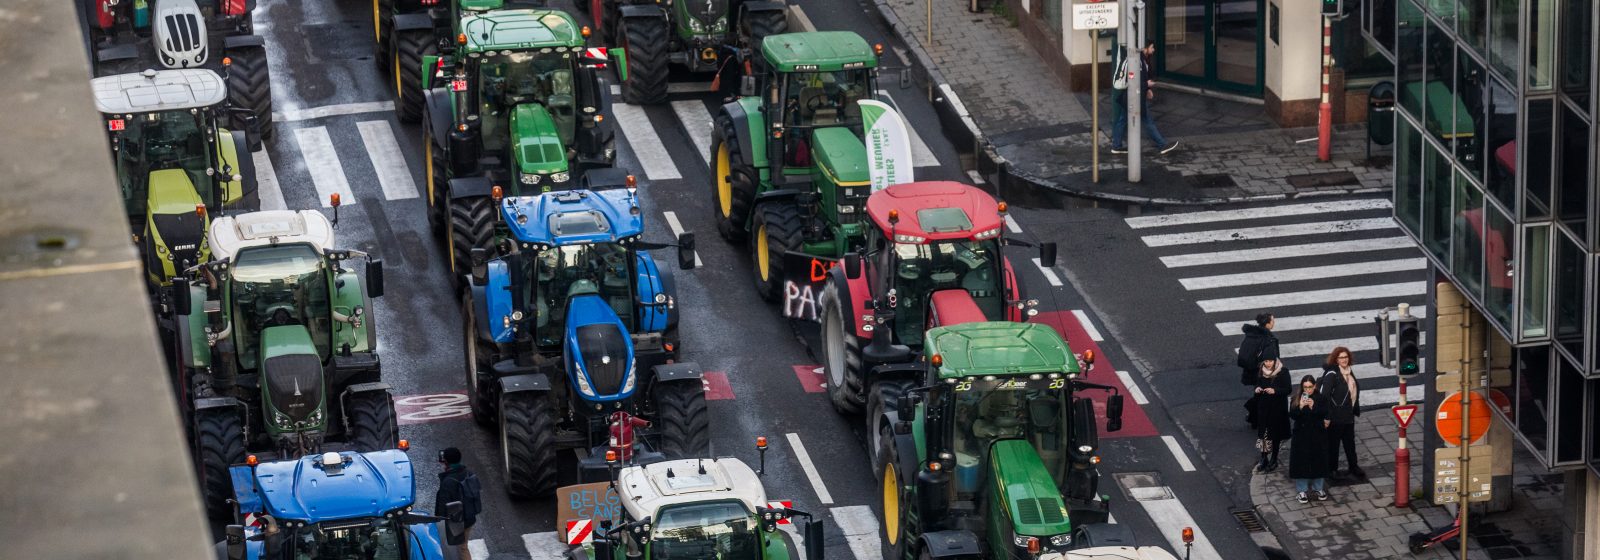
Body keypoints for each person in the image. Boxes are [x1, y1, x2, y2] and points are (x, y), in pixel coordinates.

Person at [1110, 41, 1179, 155]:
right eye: (1152, 47)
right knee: (1147, 120)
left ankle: (1116, 145)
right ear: (1145, 48)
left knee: (1123, 120)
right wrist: (1147, 86)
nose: (1153, 50)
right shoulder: (1138, 61)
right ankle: (1162, 144)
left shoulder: (1142, 59)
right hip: (1135, 96)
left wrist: (1147, 89)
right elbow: (1135, 82)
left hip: (1132, 96)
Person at [1319, 347, 1365, 479]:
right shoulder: (1332, 374)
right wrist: (1327, 417)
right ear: (1336, 359)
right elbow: (1324, 396)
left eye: (1346, 357)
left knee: (1350, 443)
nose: (1344, 360)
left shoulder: (1348, 371)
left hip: (1348, 414)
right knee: (1333, 445)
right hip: (1335, 417)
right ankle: (1332, 469)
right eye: (1341, 358)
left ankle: (1353, 466)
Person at [1288, 375, 1332, 504]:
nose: (1308, 390)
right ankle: (1302, 490)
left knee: (1319, 459)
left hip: (1317, 434)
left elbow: (1325, 412)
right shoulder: (1296, 398)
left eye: (1310, 387)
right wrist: (1300, 406)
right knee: (1301, 461)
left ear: (1315, 386)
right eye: (1305, 387)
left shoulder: (1321, 398)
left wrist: (1314, 407)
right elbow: (1293, 415)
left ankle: (1318, 488)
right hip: (1301, 435)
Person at [436, 447, 483, 560]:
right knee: (462, 547)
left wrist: (437, 521)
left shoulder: (448, 482)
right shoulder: (468, 473)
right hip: (469, 518)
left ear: (446, 461)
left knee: (460, 549)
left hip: (457, 522)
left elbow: (442, 507)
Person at [1238, 313, 1279, 426]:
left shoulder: (1252, 334)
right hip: (1263, 373)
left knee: (1259, 394)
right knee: (1264, 397)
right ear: (1268, 323)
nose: (1274, 322)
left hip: (1251, 370)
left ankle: (1254, 419)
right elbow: (1271, 358)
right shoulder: (1268, 339)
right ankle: (1256, 417)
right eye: (1272, 321)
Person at [1252, 356, 1292, 473]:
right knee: (1263, 434)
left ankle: (1274, 458)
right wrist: (1257, 389)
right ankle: (1263, 457)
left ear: (1275, 361)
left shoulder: (1283, 371)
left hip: (1277, 409)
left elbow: (1288, 389)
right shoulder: (1261, 371)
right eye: (1266, 361)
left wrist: (1275, 391)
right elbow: (1257, 384)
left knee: (1276, 435)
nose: (1268, 364)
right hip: (1264, 408)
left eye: (1270, 361)